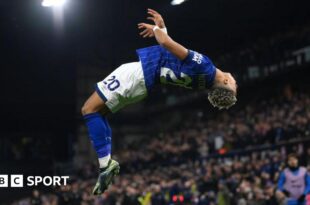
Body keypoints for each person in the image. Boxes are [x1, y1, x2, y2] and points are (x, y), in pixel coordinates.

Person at [81, 8, 238, 195]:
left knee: (88, 109)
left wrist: (158, 32)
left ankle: (105, 163)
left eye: (235, 84)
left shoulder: (205, 66)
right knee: (99, 112)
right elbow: (174, 59)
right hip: (143, 85)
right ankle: (106, 162)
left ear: (227, 82)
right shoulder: (203, 81)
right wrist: (161, 27)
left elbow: (165, 43)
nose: (235, 79)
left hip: (138, 75)